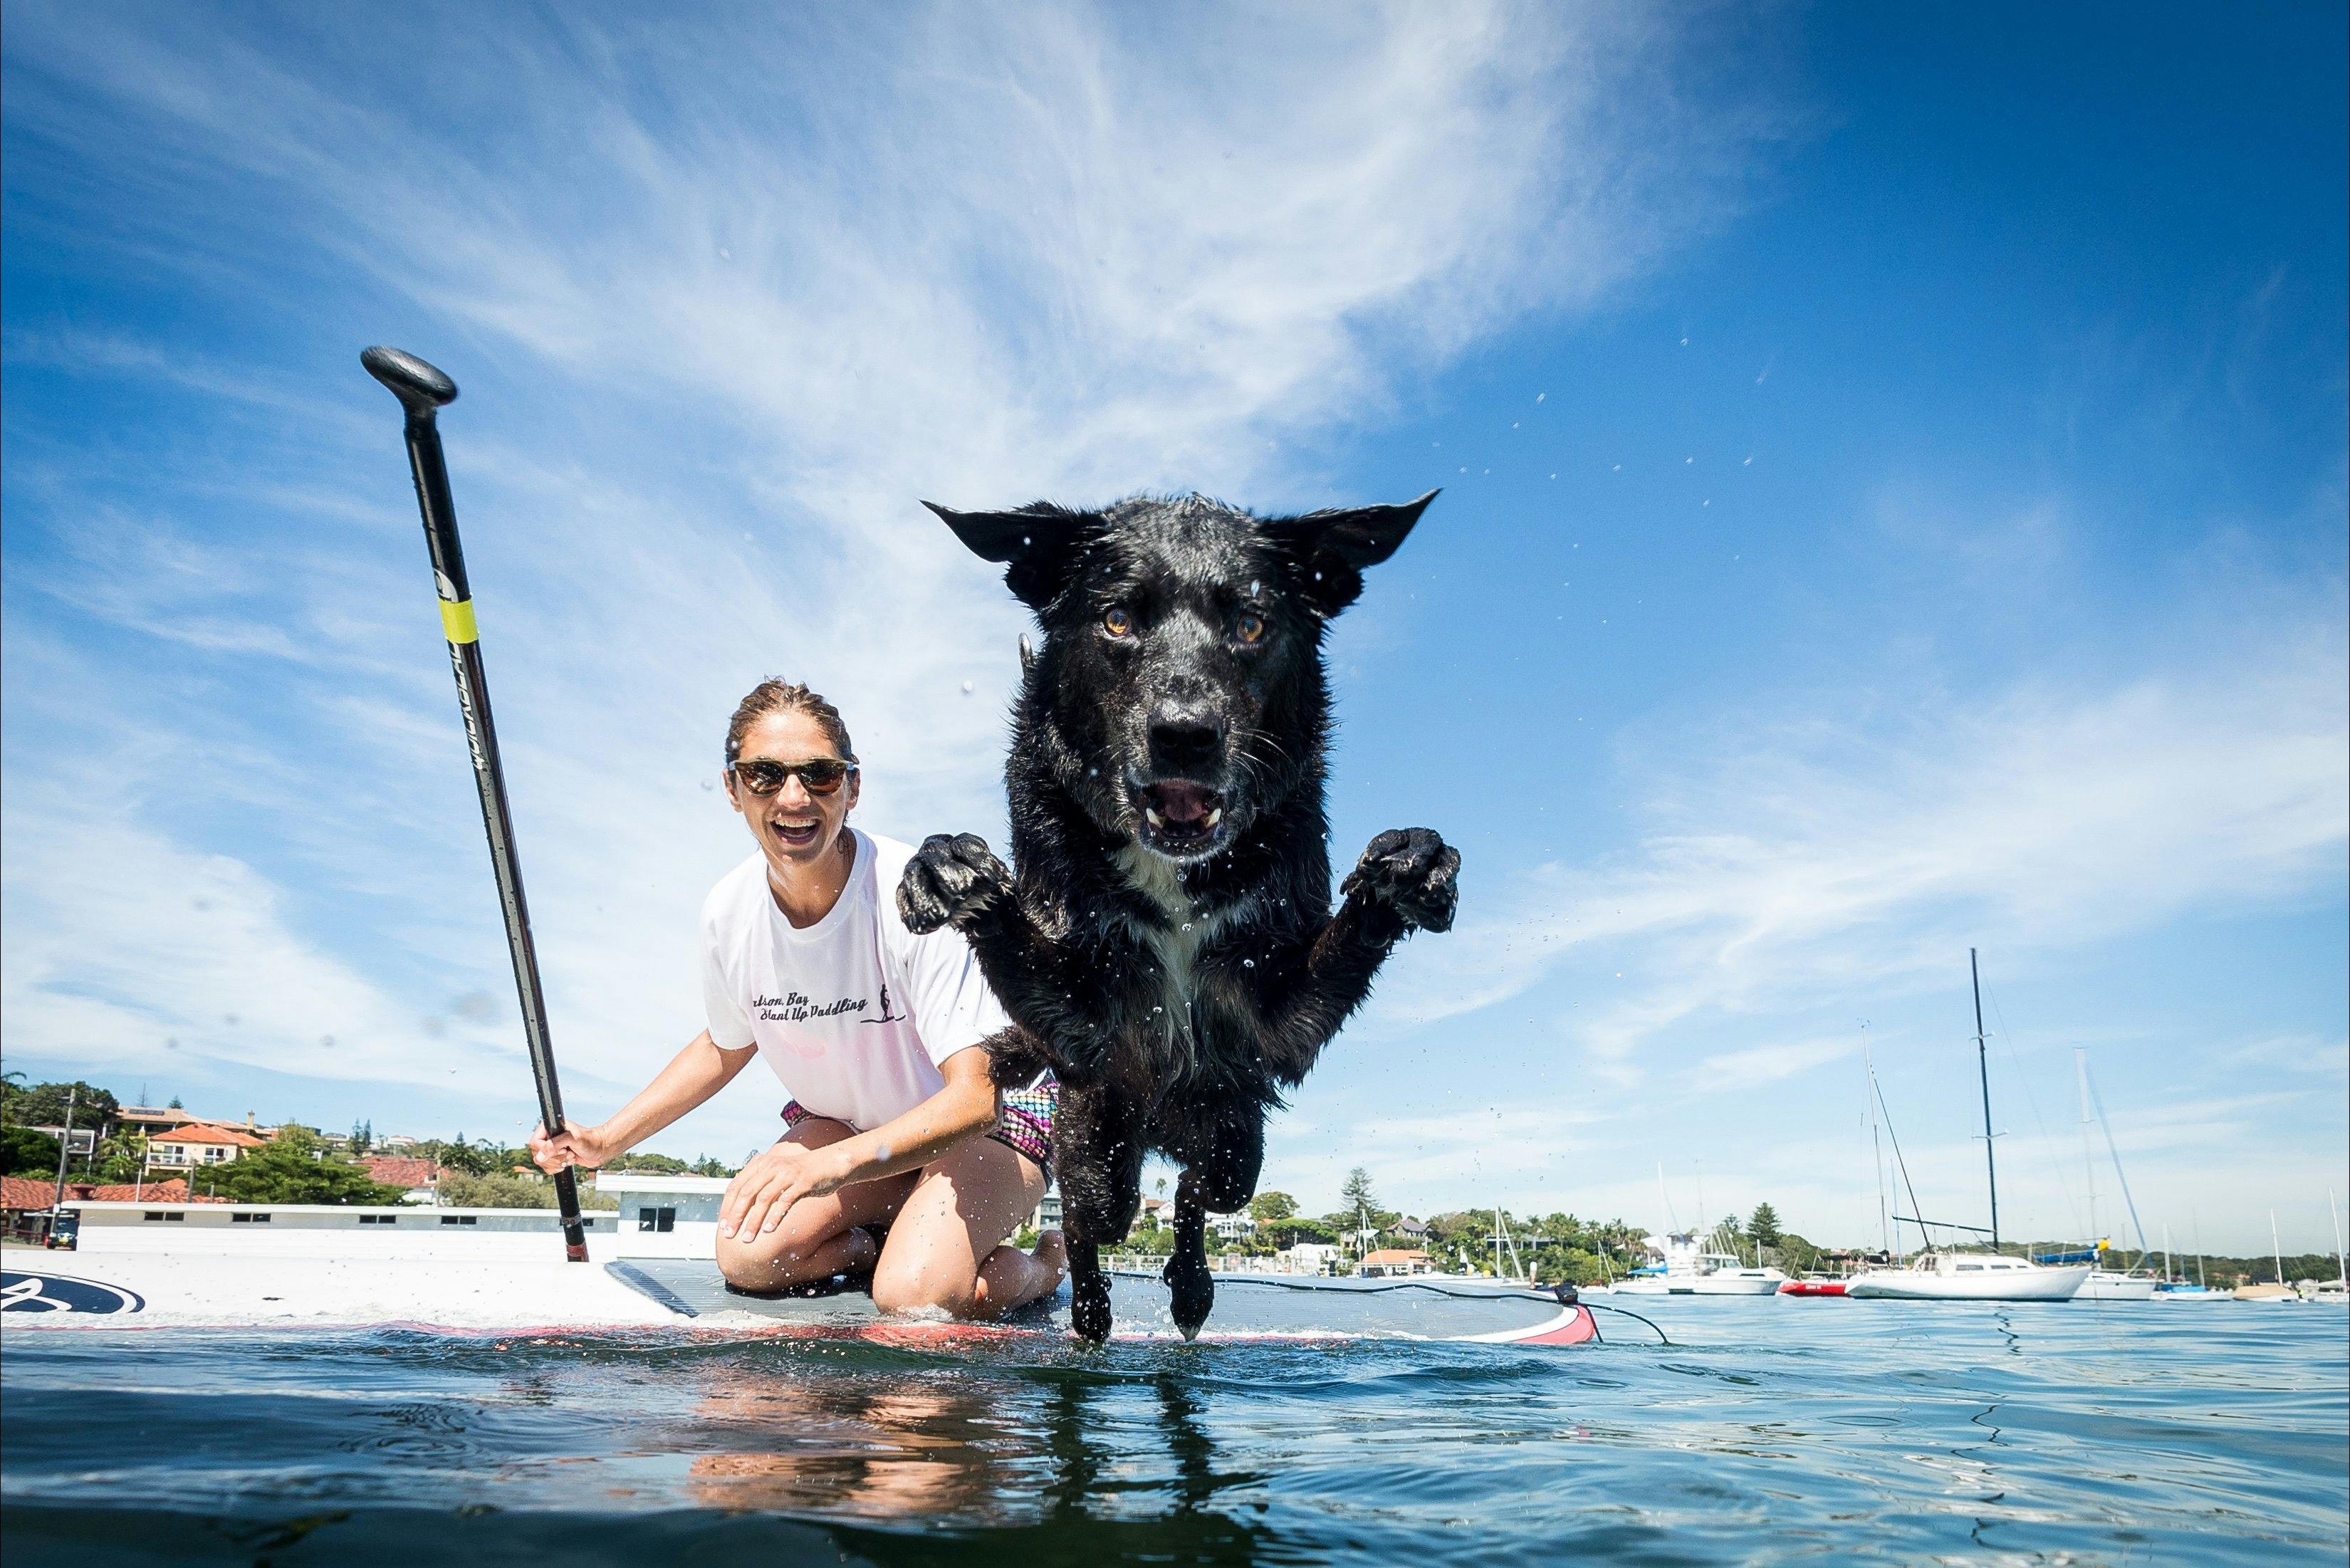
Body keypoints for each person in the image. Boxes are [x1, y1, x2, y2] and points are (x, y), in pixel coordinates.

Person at [530, 679, 1065, 1319]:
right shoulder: (728, 913)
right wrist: (606, 1140)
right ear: (732, 788)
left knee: (916, 1299)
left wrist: (832, 1167)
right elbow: (725, 1044)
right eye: (764, 775)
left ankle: (1042, 1266)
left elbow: (975, 1101)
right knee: (751, 1257)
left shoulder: (915, 898)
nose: (794, 797)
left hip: (989, 1130)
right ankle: (882, 1242)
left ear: (852, 788)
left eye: (819, 774)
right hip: (855, 1135)